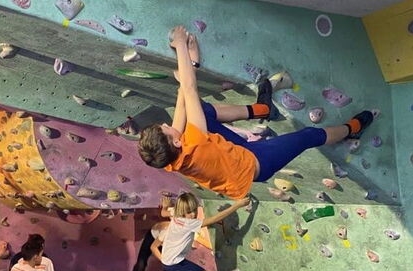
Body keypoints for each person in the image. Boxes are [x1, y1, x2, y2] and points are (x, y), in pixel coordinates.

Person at [138, 26, 374, 199]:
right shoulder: (195, 142)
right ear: (177, 142)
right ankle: (353, 130)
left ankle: (263, 110)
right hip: (257, 163)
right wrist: (180, 44)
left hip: (231, 156)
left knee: (203, 112)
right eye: (164, 128)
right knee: (308, 136)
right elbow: (189, 89)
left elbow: (182, 106)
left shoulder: (166, 160)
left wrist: (193, 65)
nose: (167, 124)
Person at [124, 196, 176, 271]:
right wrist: (166, 206)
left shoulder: (185, 228)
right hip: (155, 235)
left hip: (166, 237)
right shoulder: (176, 219)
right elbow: (154, 247)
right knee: (141, 263)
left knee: (171, 269)